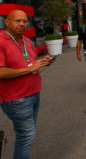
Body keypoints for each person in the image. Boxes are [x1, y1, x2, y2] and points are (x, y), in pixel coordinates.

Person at [0, 10, 53, 159]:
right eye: (18, 21)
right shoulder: (1, 40)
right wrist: (30, 68)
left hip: (34, 93)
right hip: (16, 98)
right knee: (26, 135)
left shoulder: (27, 41)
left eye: (25, 21)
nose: (22, 24)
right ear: (7, 22)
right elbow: (1, 72)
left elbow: (31, 63)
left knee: (28, 133)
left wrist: (43, 62)